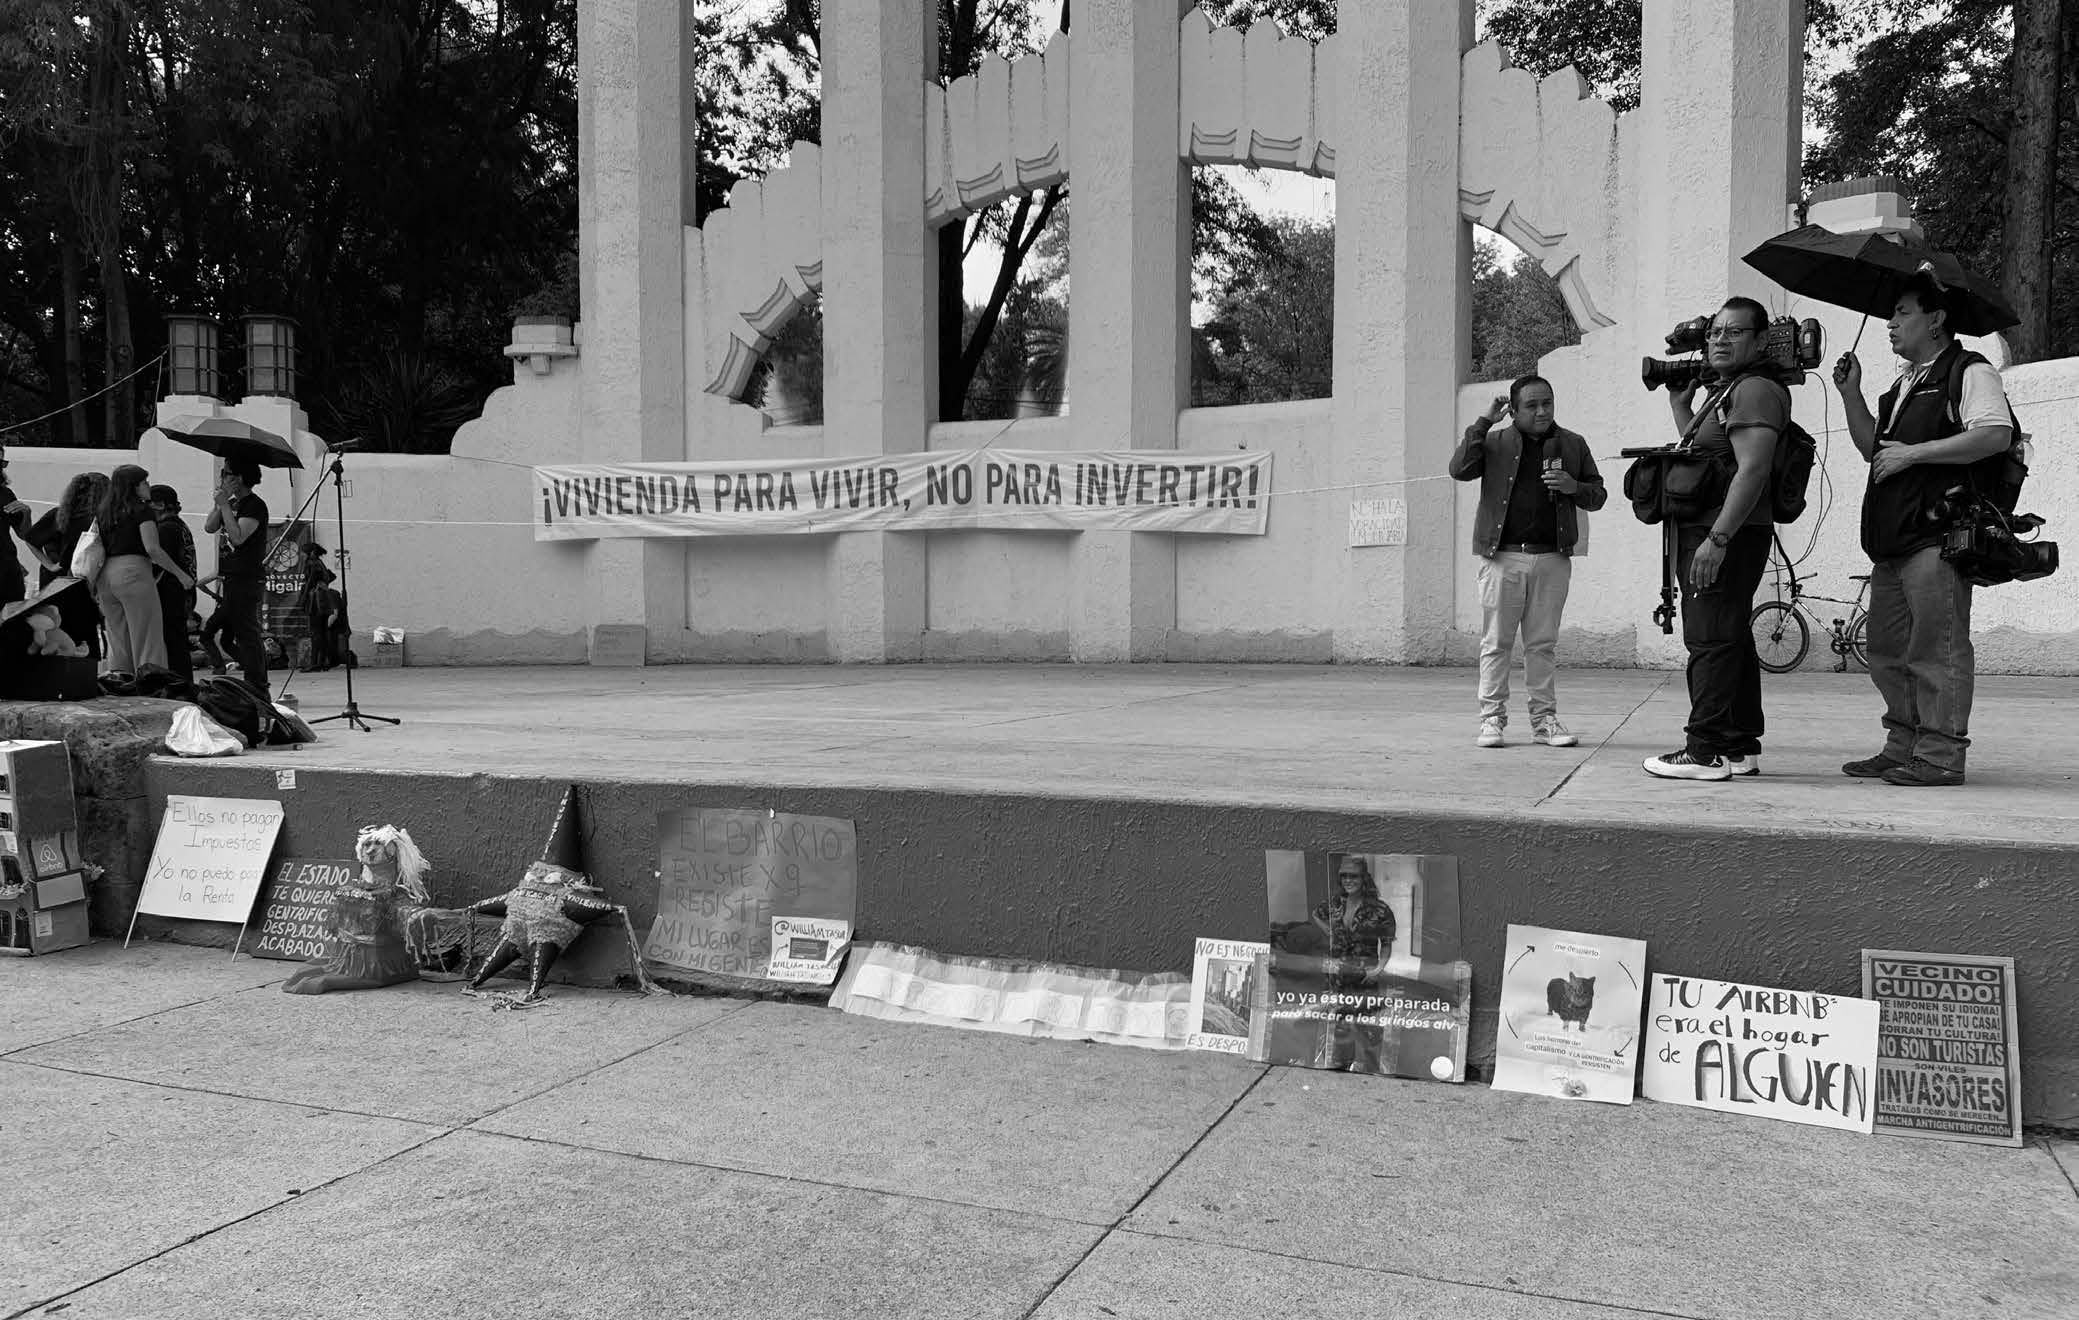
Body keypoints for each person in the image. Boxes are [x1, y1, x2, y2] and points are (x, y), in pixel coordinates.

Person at [1829, 271, 2013, 787]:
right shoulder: (1903, 385)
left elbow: (1995, 435)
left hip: (1938, 538)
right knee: (1888, 652)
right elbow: (1875, 451)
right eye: (1891, 314)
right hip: (1892, 540)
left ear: (1936, 320)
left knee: (1937, 649)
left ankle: (1940, 756)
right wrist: (1851, 393)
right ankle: (1902, 745)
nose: (1891, 323)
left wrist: (1916, 454)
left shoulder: (1968, 371)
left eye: (1903, 312)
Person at [1643, 296, 1787, 783]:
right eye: (1714, 333)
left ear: (1761, 340)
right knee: (1730, 636)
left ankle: (1703, 751)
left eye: (1733, 332)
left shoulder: (1754, 391)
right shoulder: (1729, 392)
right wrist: (1680, 409)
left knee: (1708, 638)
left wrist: (1718, 539)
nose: (1719, 340)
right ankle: (1738, 745)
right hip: (1720, 530)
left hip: (1726, 533)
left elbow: (1753, 469)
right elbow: (1706, 463)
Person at [1448, 373, 1607, 749]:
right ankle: (1491, 720)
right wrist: (1485, 420)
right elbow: (1459, 469)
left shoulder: (1572, 443)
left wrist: (1574, 487)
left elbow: (1597, 494)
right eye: (1532, 405)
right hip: (1502, 557)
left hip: (1552, 557)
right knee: (1496, 642)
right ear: (1514, 410)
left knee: (1542, 644)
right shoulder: (1494, 441)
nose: (1541, 411)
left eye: (1547, 403)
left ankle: (1544, 721)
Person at [93, 464, 194, 682]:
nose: (148, 486)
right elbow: (152, 549)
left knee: (118, 635)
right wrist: (180, 574)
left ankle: (121, 681)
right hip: (133, 570)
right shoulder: (142, 510)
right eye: (144, 482)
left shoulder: (104, 511)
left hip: (106, 574)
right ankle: (152, 683)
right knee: (147, 634)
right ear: (135, 487)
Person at [199, 460, 271, 695]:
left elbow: (238, 537)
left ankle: (257, 683)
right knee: (232, 633)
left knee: (247, 632)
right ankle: (252, 676)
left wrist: (225, 507)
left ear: (239, 478)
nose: (222, 478)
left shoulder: (254, 505)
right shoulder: (231, 504)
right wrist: (220, 504)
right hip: (231, 576)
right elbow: (209, 527)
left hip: (247, 576)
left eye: (226, 474)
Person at [23, 472, 108, 660]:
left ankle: (57, 679)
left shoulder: (59, 515)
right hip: (81, 583)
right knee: (85, 634)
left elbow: (30, 539)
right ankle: (85, 679)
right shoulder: (97, 521)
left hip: (55, 583)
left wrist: (49, 565)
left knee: (56, 632)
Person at [148, 484, 198, 686]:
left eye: (148, 503)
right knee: (178, 644)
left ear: (159, 505)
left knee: (173, 646)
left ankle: (180, 688)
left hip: (170, 593)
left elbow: (159, 562)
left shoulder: (166, 529)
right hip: (181, 593)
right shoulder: (179, 525)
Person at [297, 542, 339, 670]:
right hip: (325, 599)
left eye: (303, 553)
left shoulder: (311, 563)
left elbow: (309, 583)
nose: (302, 555)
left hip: (315, 601)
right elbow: (331, 576)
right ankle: (324, 662)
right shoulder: (320, 563)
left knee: (316, 633)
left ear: (310, 553)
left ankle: (315, 663)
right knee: (322, 631)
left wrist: (303, 599)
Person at [0, 447, 29, 609]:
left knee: (14, 620)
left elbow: (24, 534)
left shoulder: (6, 494)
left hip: (8, 569)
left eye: (1, 463)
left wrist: (26, 513)